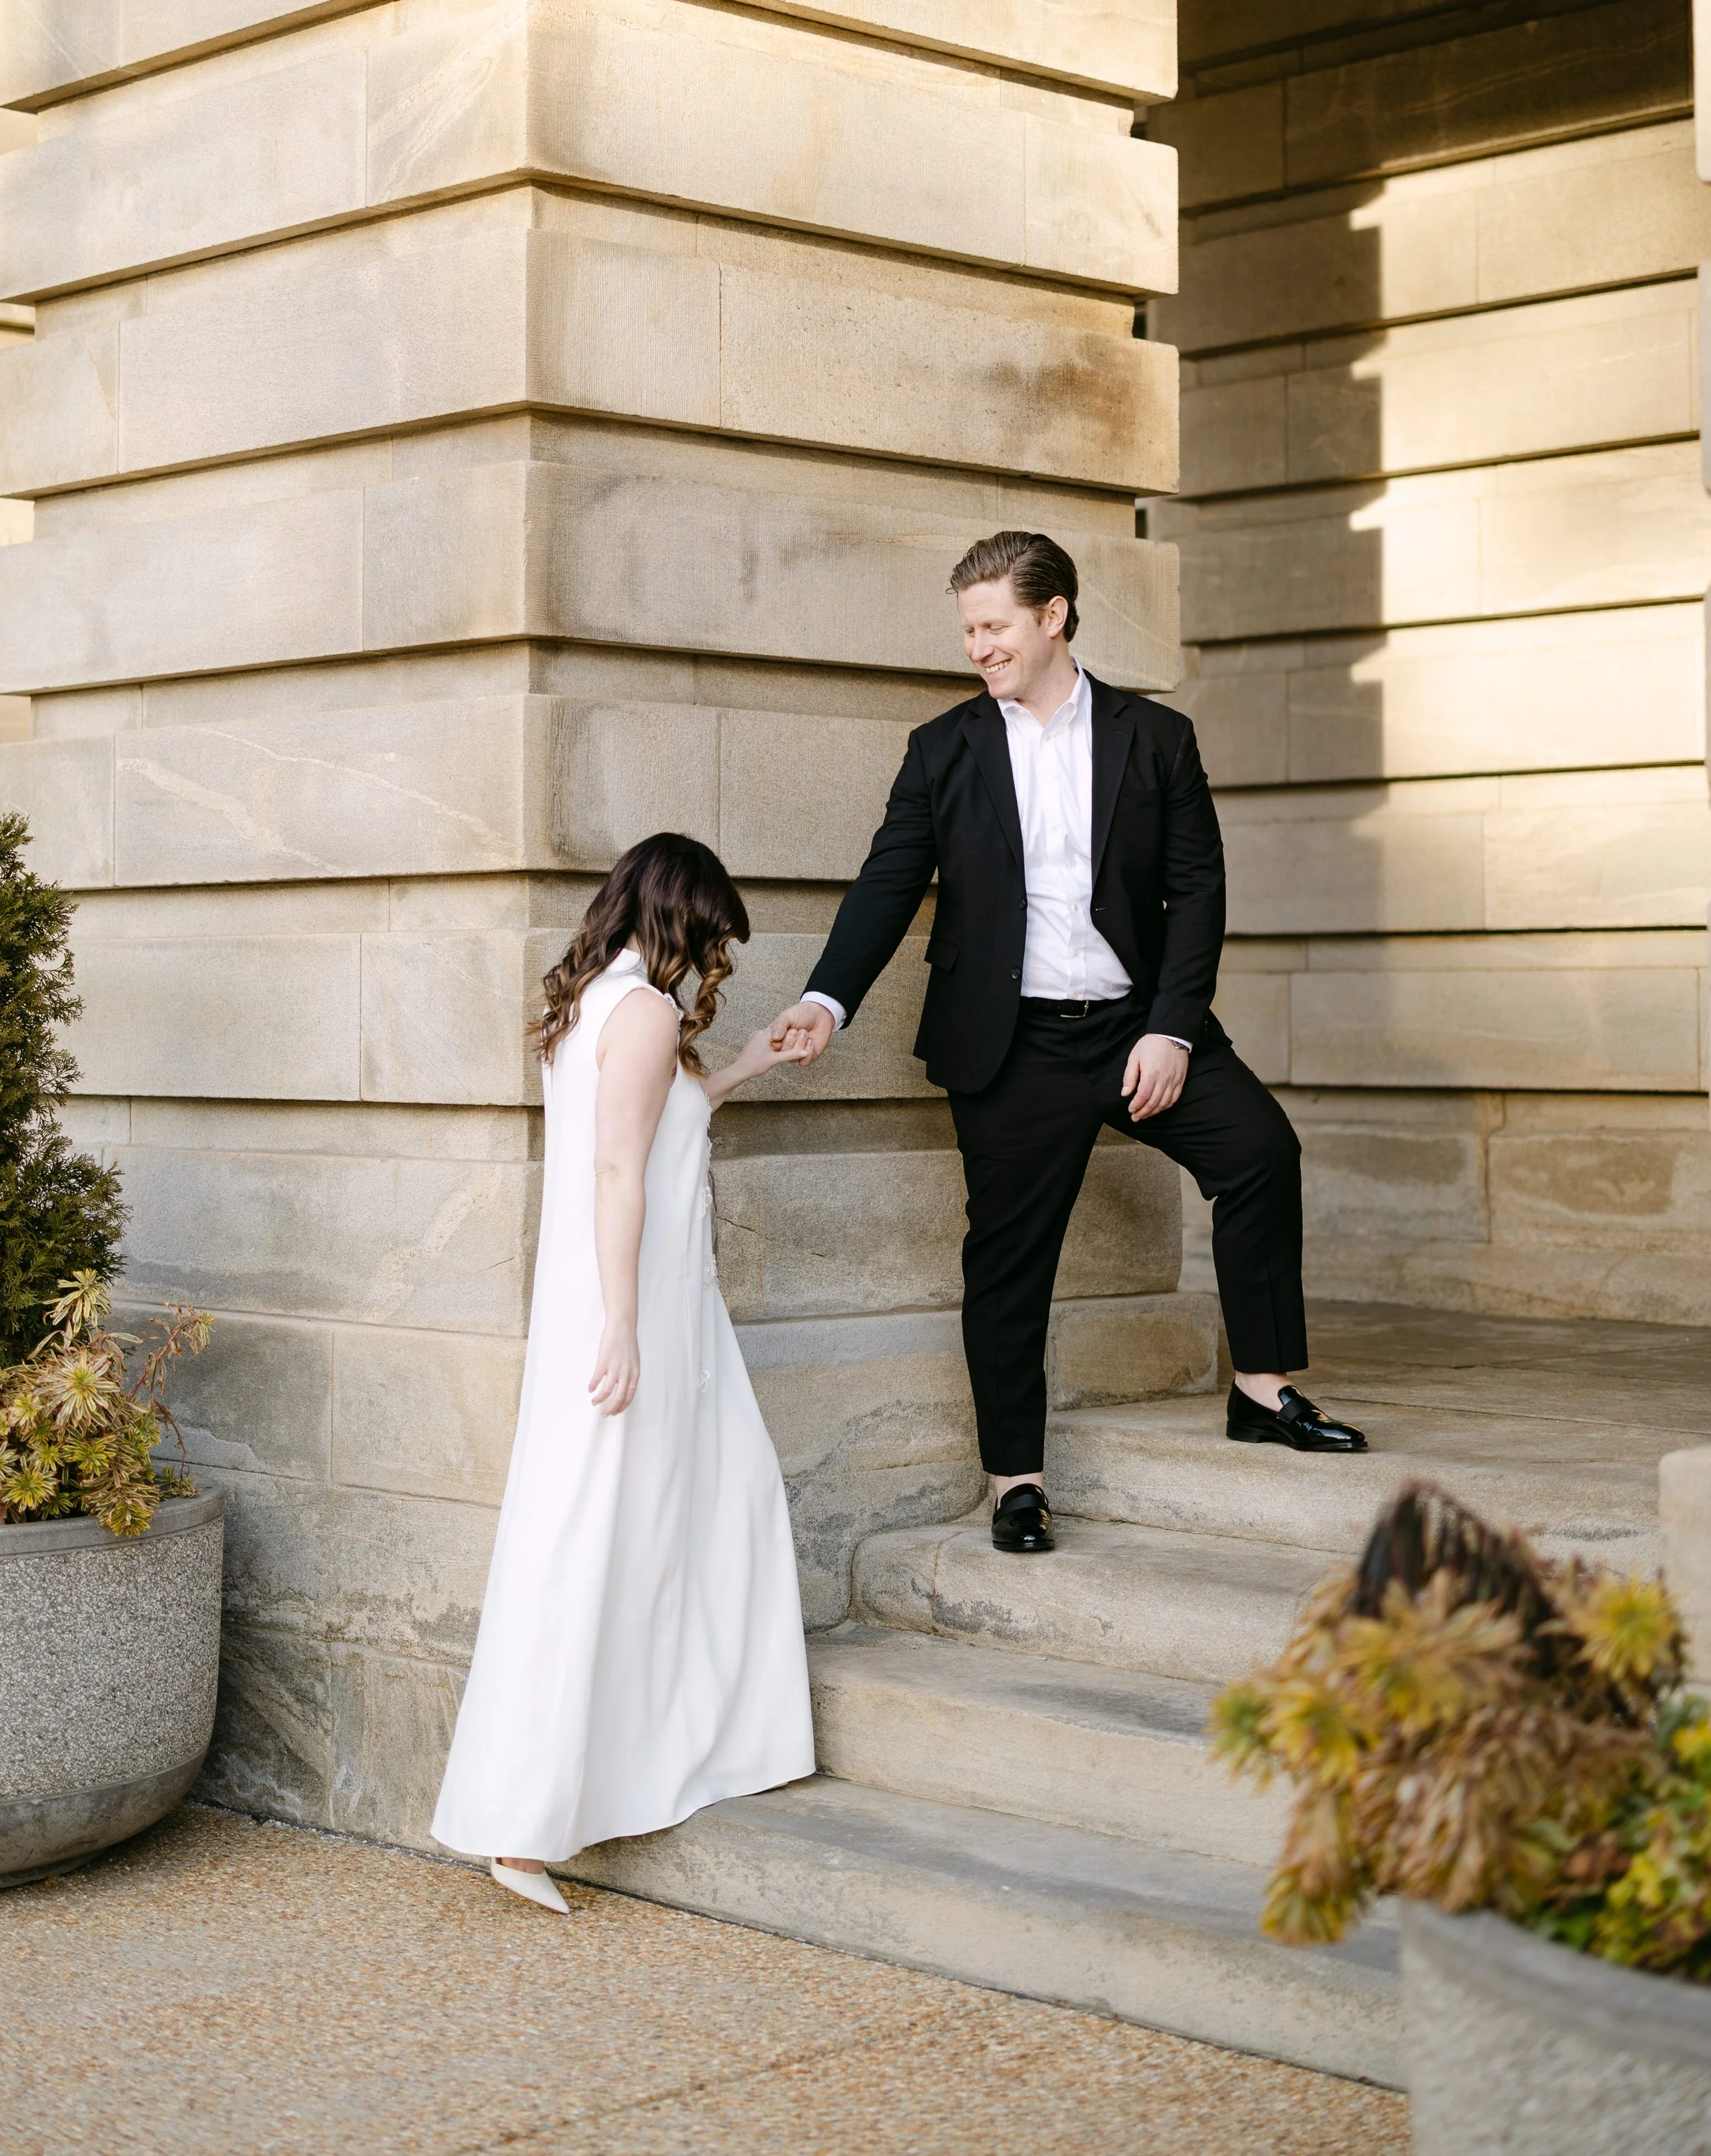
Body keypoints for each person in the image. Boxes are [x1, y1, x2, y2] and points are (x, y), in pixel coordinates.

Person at [767, 530, 1365, 1560]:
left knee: (1262, 1153)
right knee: (1008, 1262)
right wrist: (828, 998)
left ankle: (1263, 1392)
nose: (977, 646)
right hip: (1012, 1044)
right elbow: (886, 884)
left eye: (994, 624)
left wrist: (1173, 1026)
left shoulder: (1154, 739)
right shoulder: (943, 748)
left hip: (1140, 1020)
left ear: (1054, 616)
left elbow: (1197, 892)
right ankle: (1018, 1480)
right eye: (967, 629)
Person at [432, 832, 814, 1910]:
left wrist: (744, 1068)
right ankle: (527, 1820)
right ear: (679, 919)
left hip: (634, 1308)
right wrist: (624, 1323)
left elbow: (654, 1136)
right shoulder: (641, 1013)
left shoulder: (594, 1004)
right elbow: (614, 1172)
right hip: (638, 1311)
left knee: (684, 1513)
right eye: (708, 938)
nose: (707, 964)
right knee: (605, 1534)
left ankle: (680, 1748)